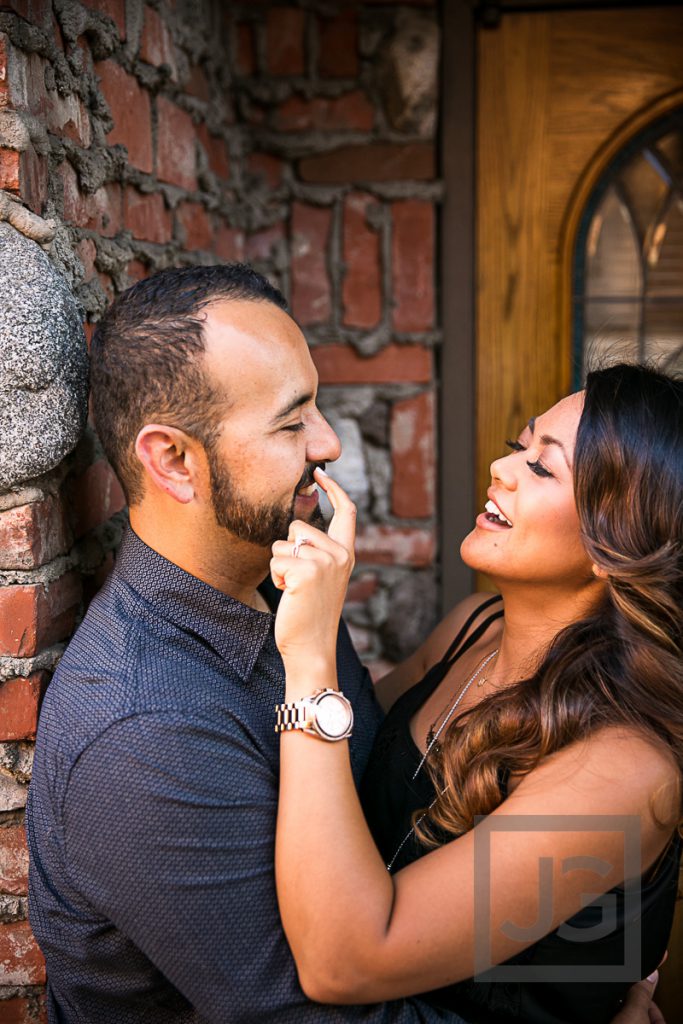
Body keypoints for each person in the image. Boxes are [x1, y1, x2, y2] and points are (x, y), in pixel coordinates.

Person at [24, 262, 666, 1024]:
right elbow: (329, 988)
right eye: (293, 421)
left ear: (616, 540)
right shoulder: (147, 733)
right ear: (171, 460)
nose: (328, 443)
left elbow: (370, 775)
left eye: (541, 465)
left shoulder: (280, 589)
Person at [270, 363, 682, 1024]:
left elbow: (345, 961)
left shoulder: (622, 768)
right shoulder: (472, 629)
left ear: (617, 539)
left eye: (542, 469)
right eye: (518, 446)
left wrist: (312, 658)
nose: (499, 467)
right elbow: (338, 772)